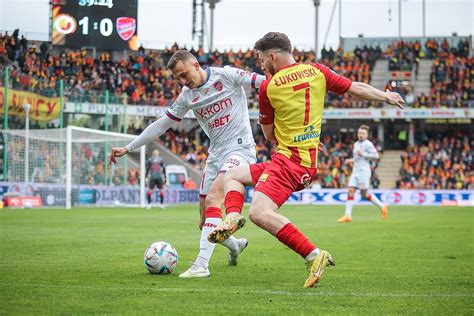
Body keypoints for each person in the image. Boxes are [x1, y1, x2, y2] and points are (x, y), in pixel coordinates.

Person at [208, 32, 405, 288]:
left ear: (273, 56)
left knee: (258, 212)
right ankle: (232, 217)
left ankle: (314, 255)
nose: (261, 65)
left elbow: (269, 135)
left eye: (261, 59)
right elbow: (355, 87)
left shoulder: (269, 86)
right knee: (232, 175)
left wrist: (283, 131)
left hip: (288, 161)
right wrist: (385, 96)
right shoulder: (317, 71)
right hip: (304, 161)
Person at [109, 49, 266, 278]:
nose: (183, 81)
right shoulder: (186, 96)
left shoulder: (227, 75)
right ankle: (235, 246)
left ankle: (201, 265)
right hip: (215, 156)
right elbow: (161, 125)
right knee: (204, 221)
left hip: (240, 150)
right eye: (177, 78)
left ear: (195, 64)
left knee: (214, 198)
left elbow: (266, 83)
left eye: (184, 75)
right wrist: (128, 147)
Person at [337, 125, 388, 223]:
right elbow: (357, 158)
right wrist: (350, 160)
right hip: (355, 171)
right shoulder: (356, 144)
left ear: (367, 135)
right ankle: (347, 215)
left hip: (364, 172)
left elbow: (376, 156)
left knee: (364, 194)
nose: (360, 135)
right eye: (359, 133)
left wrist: (364, 154)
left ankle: (382, 206)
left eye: (363, 133)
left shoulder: (368, 144)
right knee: (350, 191)